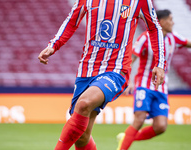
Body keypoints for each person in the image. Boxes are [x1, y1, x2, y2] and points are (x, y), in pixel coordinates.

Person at [38, 0, 166, 149]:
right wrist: (53, 45)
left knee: (84, 103)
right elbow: (71, 21)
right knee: (82, 136)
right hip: (86, 70)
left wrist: (160, 63)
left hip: (116, 70)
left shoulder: (139, 1)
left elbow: (155, 28)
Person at [116, 9, 191, 150]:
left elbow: (188, 43)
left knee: (161, 126)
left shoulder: (173, 38)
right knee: (139, 119)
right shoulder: (145, 38)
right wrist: (128, 80)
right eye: (170, 19)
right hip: (144, 85)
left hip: (161, 87)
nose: (173, 22)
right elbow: (131, 58)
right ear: (162, 22)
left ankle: (126, 137)